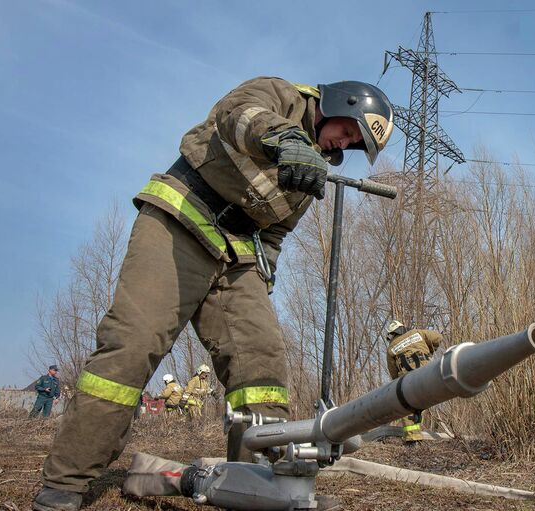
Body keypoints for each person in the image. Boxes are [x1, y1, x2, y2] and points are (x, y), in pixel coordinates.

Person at [33, 76, 393, 511]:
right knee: (133, 346)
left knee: (262, 368)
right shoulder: (280, 95)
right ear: (341, 103)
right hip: (179, 222)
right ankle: (64, 484)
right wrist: (284, 139)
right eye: (348, 129)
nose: (344, 142)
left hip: (237, 256)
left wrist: (263, 277)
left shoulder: (312, 167)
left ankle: (256, 485)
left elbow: (274, 234)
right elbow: (237, 115)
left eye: (353, 143)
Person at [385, 320, 442, 446]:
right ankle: (417, 433)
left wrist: (398, 384)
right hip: (428, 375)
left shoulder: (391, 348)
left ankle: (412, 440)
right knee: (422, 404)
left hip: (408, 381)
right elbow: (438, 337)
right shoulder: (418, 333)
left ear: (391, 335)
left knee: (407, 407)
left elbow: (393, 372)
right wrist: (431, 349)